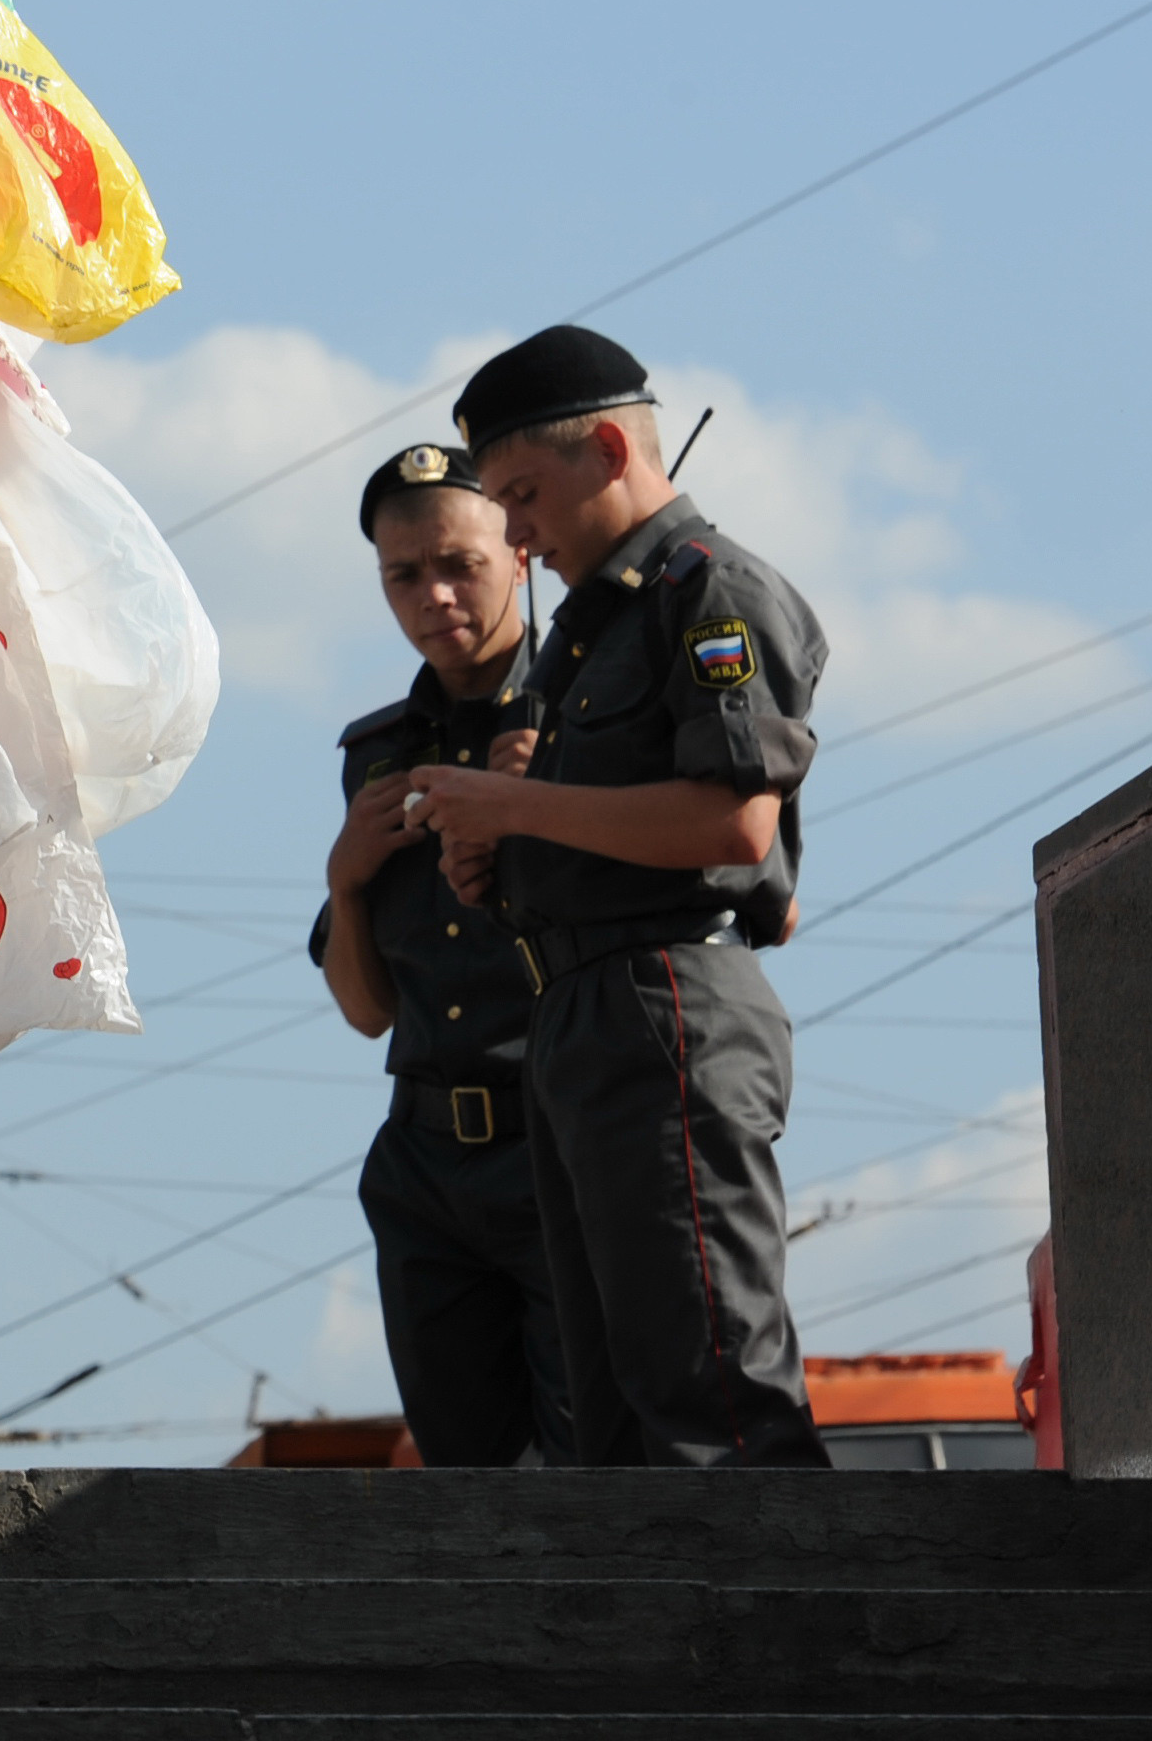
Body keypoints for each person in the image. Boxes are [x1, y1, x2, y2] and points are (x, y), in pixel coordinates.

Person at [413, 326, 831, 1468]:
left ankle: (790, 1635)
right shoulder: (594, 627)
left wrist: (516, 812)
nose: (513, 534)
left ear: (607, 447)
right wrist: (494, 853)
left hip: (663, 1000)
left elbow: (732, 823)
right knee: (611, 1427)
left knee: (712, 1391)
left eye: (521, 495)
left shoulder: (706, 592)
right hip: (583, 1013)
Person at [310, 446, 574, 1467]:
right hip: (425, 1161)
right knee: (462, 1478)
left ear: (518, 549)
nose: (433, 594)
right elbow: (366, 1009)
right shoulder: (375, 752)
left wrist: (541, 804)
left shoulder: (578, 715)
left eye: (457, 563)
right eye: (403, 574)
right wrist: (344, 880)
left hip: (558, 1137)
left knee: (595, 1460)